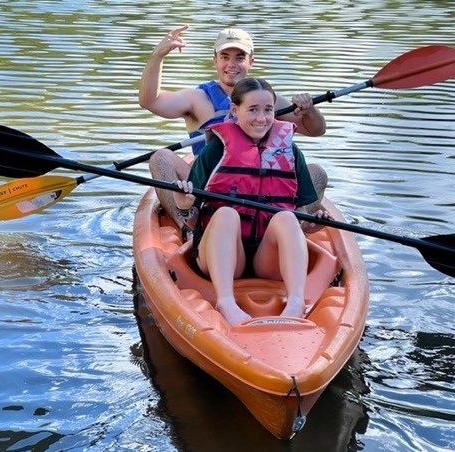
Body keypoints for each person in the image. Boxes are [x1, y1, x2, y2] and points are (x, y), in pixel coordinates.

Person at [173, 78, 331, 326]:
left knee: (287, 217)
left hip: (266, 260)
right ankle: (226, 302)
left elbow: (301, 217)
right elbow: (193, 221)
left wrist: (313, 224)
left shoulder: (290, 152)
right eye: (253, 110)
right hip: (220, 259)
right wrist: (184, 205)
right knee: (226, 214)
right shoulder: (215, 151)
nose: (262, 118)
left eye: (268, 110)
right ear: (235, 111)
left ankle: (295, 302)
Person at [139, 26, 327, 227]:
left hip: (262, 184)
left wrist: (309, 110)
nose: (231, 64)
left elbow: (316, 130)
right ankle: (185, 224)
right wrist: (157, 56)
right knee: (161, 158)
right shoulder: (198, 98)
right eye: (225, 57)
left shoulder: (266, 100)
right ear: (215, 60)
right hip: (208, 185)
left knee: (317, 173)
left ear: (251, 61)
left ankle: (299, 223)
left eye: (239, 57)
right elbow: (150, 101)